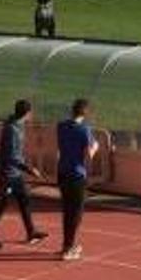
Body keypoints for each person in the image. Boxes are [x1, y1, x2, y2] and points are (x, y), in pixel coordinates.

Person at [0, 99, 49, 250]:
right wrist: (29, 169)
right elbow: (11, 156)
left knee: (24, 199)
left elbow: (16, 154)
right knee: (0, 204)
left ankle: (31, 232)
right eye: (31, 112)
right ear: (27, 113)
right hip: (7, 174)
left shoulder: (17, 125)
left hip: (16, 173)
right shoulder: (12, 130)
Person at [56, 99, 99, 261]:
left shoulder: (61, 126)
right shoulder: (84, 130)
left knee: (67, 211)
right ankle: (68, 248)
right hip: (77, 175)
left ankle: (67, 244)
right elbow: (88, 155)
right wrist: (96, 146)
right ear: (85, 113)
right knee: (76, 213)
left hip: (62, 172)